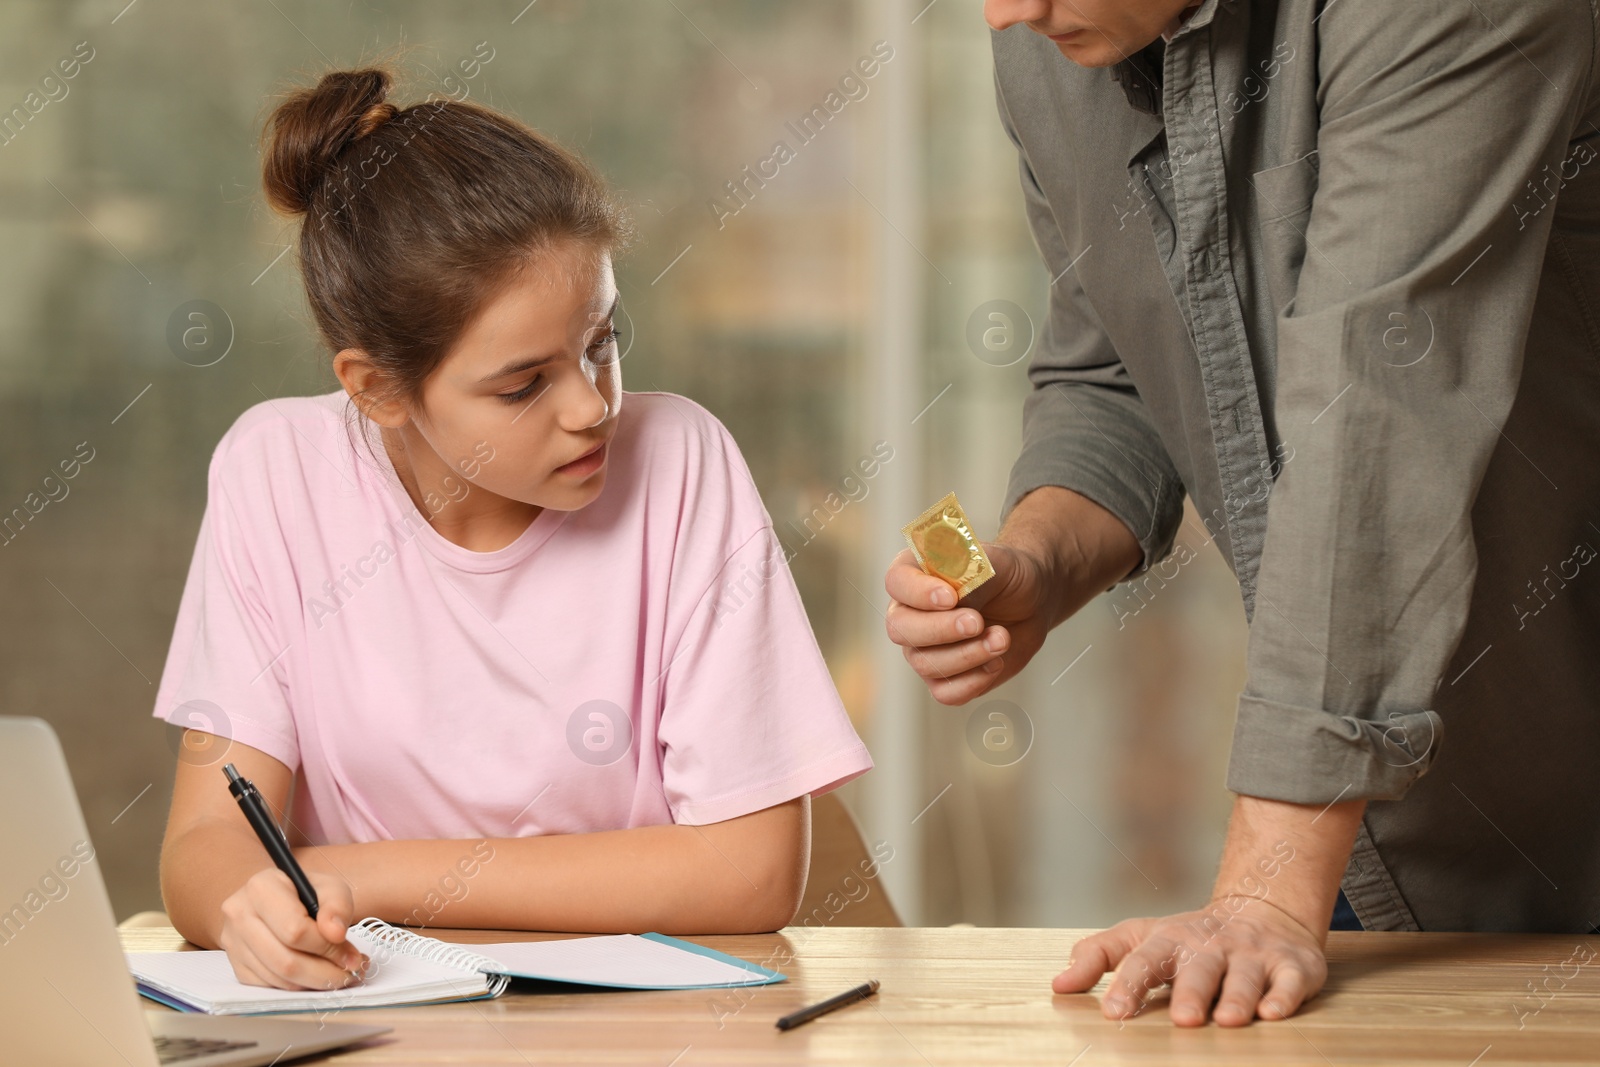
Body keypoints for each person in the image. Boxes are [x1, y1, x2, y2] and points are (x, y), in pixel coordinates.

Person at [885, 0, 1600, 1028]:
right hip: (1379, 828)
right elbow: (1113, 366)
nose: (1007, 12)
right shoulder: (1047, 50)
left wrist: (1264, 888)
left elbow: (1378, 413)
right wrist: (1037, 558)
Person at [154, 66, 872, 992]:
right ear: (375, 389)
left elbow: (754, 872)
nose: (590, 407)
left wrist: (347, 877)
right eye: (523, 383)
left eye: (602, 340)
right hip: (376, 1018)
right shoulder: (273, 472)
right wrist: (244, 909)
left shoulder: (683, 463)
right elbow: (203, 844)